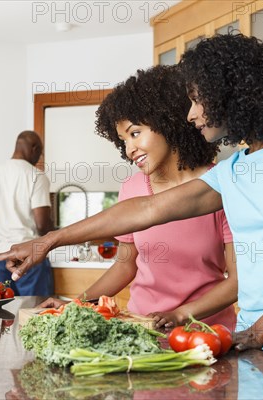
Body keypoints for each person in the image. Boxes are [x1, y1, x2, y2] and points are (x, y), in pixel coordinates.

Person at [0, 34, 263, 376]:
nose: (191, 113)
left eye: (198, 99)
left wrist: (260, 330)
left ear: (229, 91)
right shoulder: (236, 169)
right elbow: (147, 209)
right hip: (258, 338)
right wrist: (47, 241)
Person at [39, 65, 237, 329]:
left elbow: (237, 280)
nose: (129, 149)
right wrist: (74, 305)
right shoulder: (132, 188)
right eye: (122, 140)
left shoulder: (219, 186)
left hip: (205, 332)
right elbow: (124, 266)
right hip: (143, 328)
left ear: (167, 122)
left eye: (135, 133)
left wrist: (180, 314)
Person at [0, 130, 55, 296]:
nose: (39, 158)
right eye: (40, 153)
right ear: (35, 148)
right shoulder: (36, 176)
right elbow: (42, 224)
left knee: (2, 312)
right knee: (35, 313)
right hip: (27, 255)